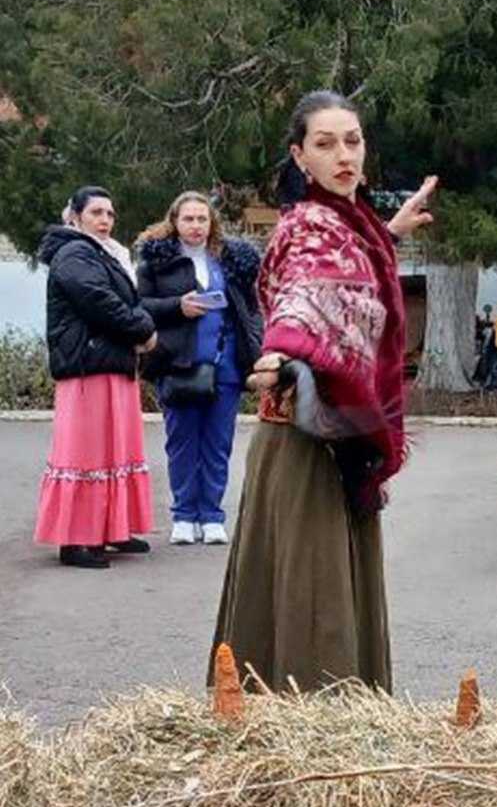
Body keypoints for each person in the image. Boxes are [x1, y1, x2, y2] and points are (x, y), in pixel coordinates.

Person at [210, 90, 437, 693]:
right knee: (313, 598)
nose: (344, 156)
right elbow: (305, 297)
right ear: (299, 155)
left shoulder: (351, 226)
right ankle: (305, 731)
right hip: (305, 440)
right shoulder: (309, 225)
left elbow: (348, 282)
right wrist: (287, 352)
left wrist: (388, 233)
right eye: (326, 143)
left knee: (329, 592)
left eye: (353, 141)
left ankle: (338, 723)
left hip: (340, 438)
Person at [34, 187, 157, 569]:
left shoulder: (104, 253)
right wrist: (143, 328)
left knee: (115, 449)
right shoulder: (74, 252)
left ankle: (112, 527)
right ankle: (76, 539)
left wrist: (138, 323)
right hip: (87, 365)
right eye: (96, 212)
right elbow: (100, 301)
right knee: (86, 452)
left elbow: (124, 301)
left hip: (109, 359)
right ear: (75, 216)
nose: (105, 220)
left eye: (110, 213)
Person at [136, 192, 263, 545]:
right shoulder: (157, 261)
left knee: (218, 444)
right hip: (178, 363)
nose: (196, 226)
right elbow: (139, 306)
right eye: (188, 219)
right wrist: (177, 306)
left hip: (226, 366)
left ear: (212, 223)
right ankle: (183, 515)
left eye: (202, 219)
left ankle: (211, 516)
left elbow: (251, 310)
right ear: (174, 222)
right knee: (182, 442)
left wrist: (256, 347)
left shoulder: (232, 261)